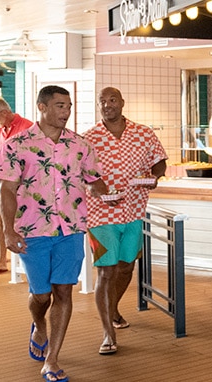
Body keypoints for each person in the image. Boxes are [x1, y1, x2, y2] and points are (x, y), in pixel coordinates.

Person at [0, 85, 108, 382]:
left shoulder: (80, 145)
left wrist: (104, 192)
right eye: (59, 106)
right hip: (33, 229)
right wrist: (8, 231)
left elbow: (94, 180)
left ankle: (52, 359)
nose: (66, 112)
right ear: (42, 107)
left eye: (68, 106)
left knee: (64, 291)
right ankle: (39, 325)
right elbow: (7, 190)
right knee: (41, 295)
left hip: (71, 229)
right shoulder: (16, 145)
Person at [81, 87, 168, 356]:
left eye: (112, 100)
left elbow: (160, 162)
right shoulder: (88, 138)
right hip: (100, 213)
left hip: (134, 210)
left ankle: (113, 308)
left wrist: (155, 177)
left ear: (122, 103)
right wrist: (94, 187)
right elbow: (80, 172)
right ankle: (108, 332)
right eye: (102, 101)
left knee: (126, 266)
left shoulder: (144, 133)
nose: (107, 105)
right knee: (106, 271)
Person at [0, 97, 34, 276]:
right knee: (2, 219)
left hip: (24, 187)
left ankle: (29, 262)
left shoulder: (27, 127)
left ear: (4, 112)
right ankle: (1, 261)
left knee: (26, 222)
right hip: (1, 186)